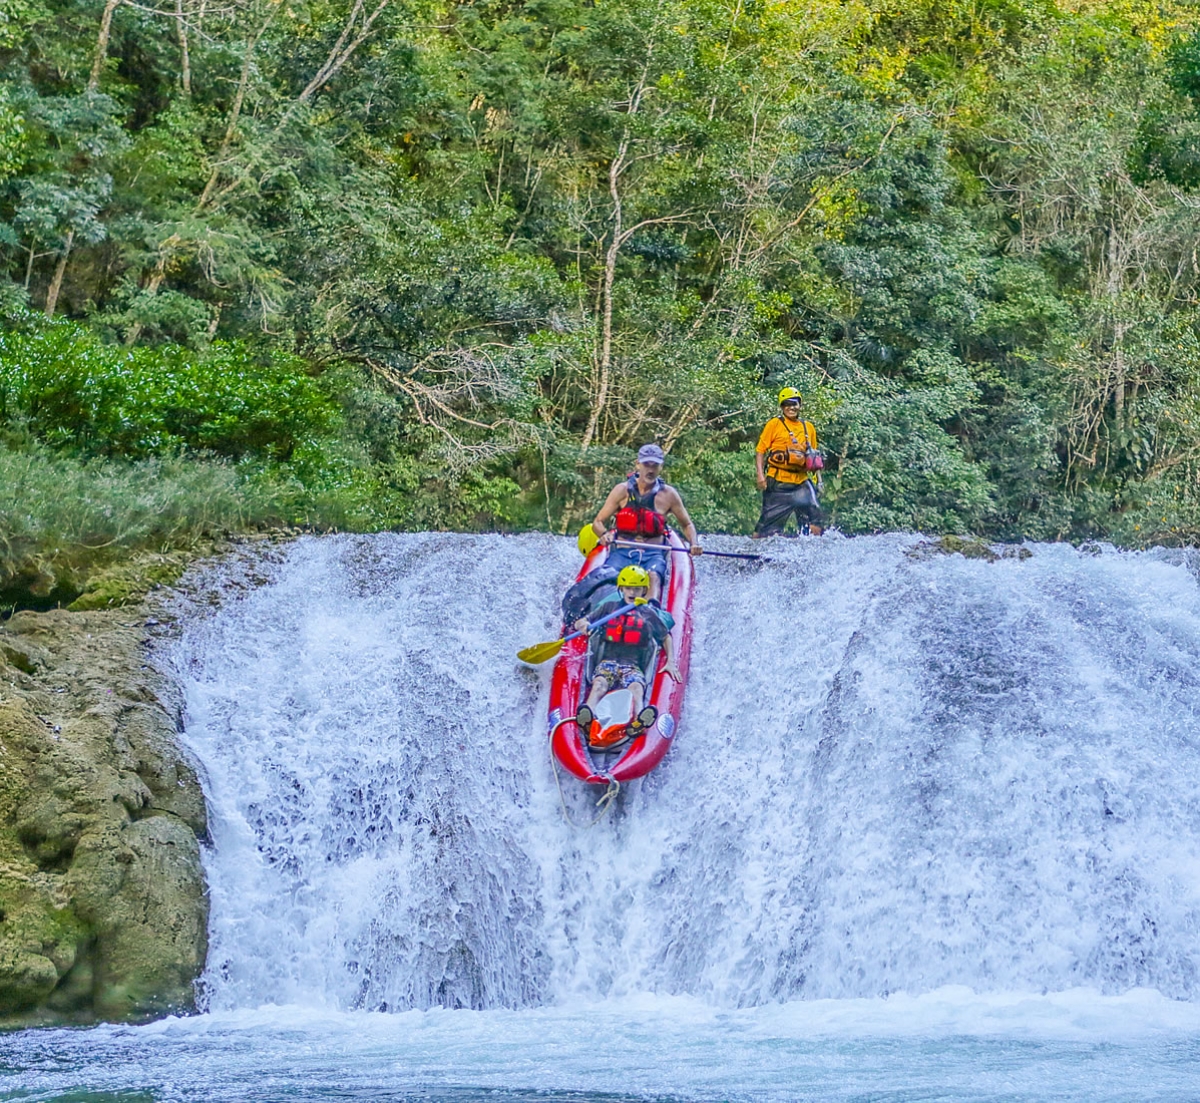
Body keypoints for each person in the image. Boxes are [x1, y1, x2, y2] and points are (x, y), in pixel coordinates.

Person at [573, 565, 680, 744]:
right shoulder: (608, 608)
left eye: (637, 588)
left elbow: (665, 637)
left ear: (644, 591)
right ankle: (588, 718)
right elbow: (582, 621)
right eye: (628, 588)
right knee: (599, 684)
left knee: (637, 688)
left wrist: (671, 661)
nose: (632, 592)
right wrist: (582, 624)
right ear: (621, 589)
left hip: (632, 666)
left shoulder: (648, 613)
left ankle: (638, 721)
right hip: (608, 662)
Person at [587, 443, 702, 602]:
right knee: (609, 576)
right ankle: (606, 609)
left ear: (660, 467)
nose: (650, 470)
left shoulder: (669, 495)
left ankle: (650, 610)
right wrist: (604, 534)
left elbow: (687, 525)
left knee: (653, 576)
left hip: (653, 554)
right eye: (646, 464)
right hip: (622, 551)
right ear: (638, 464)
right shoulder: (621, 490)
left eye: (655, 465)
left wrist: (694, 543)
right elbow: (598, 522)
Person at [753, 387, 825, 538]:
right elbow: (760, 451)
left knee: (815, 520)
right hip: (778, 484)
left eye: (794, 404)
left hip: (802, 483)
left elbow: (814, 458)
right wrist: (760, 476)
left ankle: (811, 554)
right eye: (787, 404)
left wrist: (819, 481)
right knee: (766, 531)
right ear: (782, 407)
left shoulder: (808, 428)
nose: (791, 407)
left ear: (800, 405)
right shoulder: (774, 424)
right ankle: (755, 553)